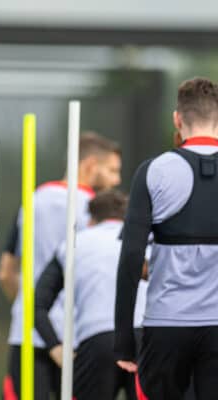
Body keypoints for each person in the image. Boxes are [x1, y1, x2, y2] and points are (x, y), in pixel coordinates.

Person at [115, 77, 218, 400]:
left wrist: (124, 341)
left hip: (165, 325)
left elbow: (131, 258)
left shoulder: (154, 170)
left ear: (178, 119)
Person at [0, 132, 122, 400]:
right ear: (90, 166)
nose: (116, 180)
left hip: (29, 332)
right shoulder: (97, 211)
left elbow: (6, 271)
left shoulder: (34, 199)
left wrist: (24, 307)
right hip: (78, 335)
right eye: (112, 170)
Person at [35, 190, 148, 400]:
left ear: (91, 219)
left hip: (96, 341)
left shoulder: (73, 244)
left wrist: (55, 346)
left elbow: (37, 304)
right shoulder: (145, 240)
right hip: (145, 339)